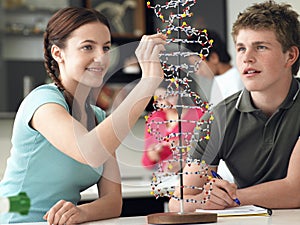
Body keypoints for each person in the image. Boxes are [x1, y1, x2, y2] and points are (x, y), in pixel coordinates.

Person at [0, 7, 166, 224]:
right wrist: (147, 84)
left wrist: (82, 212)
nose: (101, 58)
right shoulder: (42, 102)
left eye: (106, 48)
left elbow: (113, 202)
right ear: (58, 53)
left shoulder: (97, 117)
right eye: (87, 47)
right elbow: (90, 151)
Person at [169, 0, 300, 212]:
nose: (247, 58)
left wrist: (230, 197)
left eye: (261, 47)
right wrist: (204, 200)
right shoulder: (217, 119)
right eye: (241, 48)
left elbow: (295, 191)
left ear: (291, 56)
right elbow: (178, 201)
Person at [142, 84, 204, 171]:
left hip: (194, 173)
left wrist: (188, 148)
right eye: (160, 99)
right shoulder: (154, 119)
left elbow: (212, 150)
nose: (165, 103)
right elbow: (146, 163)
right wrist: (152, 154)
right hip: (166, 176)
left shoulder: (200, 115)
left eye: (169, 96)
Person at [186, 30, 244, 105]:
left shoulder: (235, 83)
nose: (197, 72)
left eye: (198, 65)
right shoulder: (221, 79)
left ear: (213, 58)